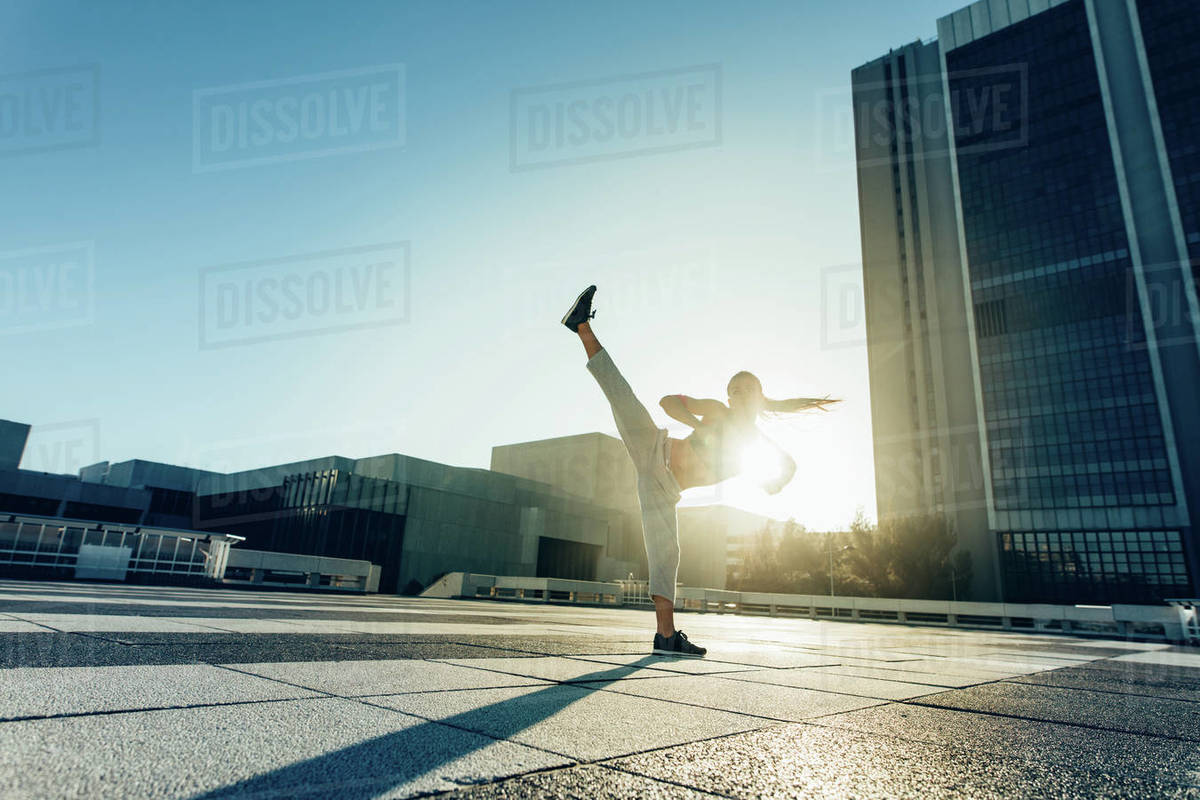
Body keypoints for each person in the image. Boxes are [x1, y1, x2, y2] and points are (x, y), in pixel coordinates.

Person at [562, 285, 840, 656]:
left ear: (758, 395)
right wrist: (696, 420)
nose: (737, 394)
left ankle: (666, 638)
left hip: (662, 487)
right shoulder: (718, 412)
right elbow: (666, 402)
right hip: (654, 446)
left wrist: (775, 481)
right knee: (622, 394)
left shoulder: (755, 444)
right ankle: (581, 327)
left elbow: (781, 469)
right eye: (733, 389)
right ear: (727, 397)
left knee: (667, 554)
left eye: (746, 389)